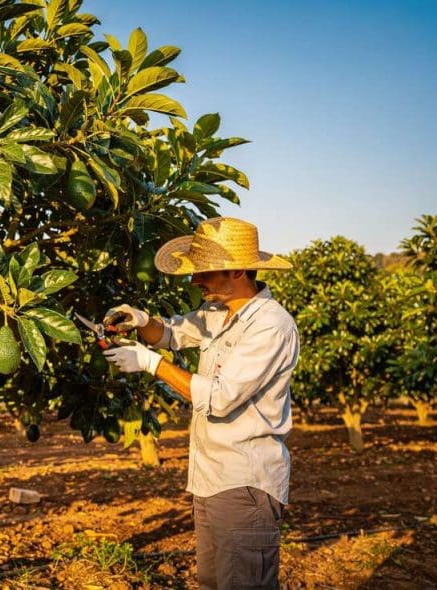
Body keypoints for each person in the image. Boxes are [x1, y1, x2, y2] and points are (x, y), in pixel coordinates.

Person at [102, 217, 299, 590]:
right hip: (210, 478)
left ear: (237, 270)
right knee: (213, 582)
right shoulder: (218, 313)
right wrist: (140, 321)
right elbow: (172, 333)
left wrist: (151, 364)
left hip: (244, 482)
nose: (195, 280)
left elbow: (220, 397)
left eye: (204, 272)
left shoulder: (270, 325)